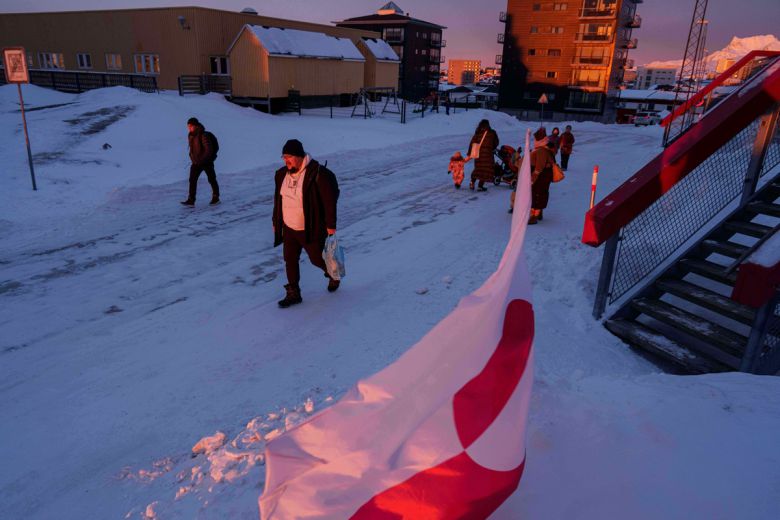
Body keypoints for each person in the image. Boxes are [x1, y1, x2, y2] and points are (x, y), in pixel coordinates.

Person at [272, 139, 340, 308]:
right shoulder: (281, 174)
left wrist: (331, 224)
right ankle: (293, 292)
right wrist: (276, 221)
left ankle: (333, 273)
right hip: (289, 227)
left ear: (299, 156)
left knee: (317, 259)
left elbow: (329, 201)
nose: (286, 160)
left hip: (309, 228)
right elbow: (278, 201)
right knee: (290, 259)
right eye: (284, 157)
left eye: (289, 157)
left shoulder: (317, 173)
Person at [181, 117, 220, 206]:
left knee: (211, 179)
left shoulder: (203, 135)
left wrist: (202, 159)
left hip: (206, 162)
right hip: (196, 162)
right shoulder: (191, 135)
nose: (189, 128)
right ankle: (191, 199)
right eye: (188, 126)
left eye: (190, 126)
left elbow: (209, 150)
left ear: (196, 126)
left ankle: (216, 197)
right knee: (192, 180)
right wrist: (192, 157)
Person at [529, 128, 556, 225]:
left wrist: (533, 178)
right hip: (545, 176)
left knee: (536, 195)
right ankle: (539, 213)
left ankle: (534, 216)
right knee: (541, 194)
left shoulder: (541, 150)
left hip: (541, 176)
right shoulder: (544, 148)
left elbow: (539, 168)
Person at [467, 119, 499, 191]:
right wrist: (491, 148)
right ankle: (480, 186)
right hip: (488, 155)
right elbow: (496, 142)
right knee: (485, 170)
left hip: (478, 155)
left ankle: (472, 183)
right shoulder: (492, 133)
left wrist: (469, 153)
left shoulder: (477, 133)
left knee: (478, 169)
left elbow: (472, 143)